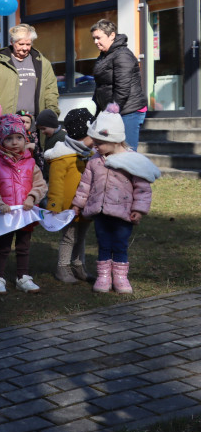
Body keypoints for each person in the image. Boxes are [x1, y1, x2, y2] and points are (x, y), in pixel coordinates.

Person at [72, 104, 161, 293]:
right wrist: (78, 204)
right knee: (103, 242)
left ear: (115, 141)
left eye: (99, 143)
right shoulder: (95, 161)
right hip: (100, 211)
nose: (95, 146)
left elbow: (142, 188)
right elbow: (85, 185)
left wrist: (138, 209)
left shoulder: (131, 161)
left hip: (123, 213)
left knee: (120, 244)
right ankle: (104, 277)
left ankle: (120, 278)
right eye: (94, 142)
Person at [0, 114, 48, 295]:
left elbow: (40, 184)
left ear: (25, 139)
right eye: (9, 138)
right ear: (2, 140)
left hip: (24, 213)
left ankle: (22, 277)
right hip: (5, 214)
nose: (15, 142)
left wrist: (32, 198)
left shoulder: (31, 163)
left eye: (19, 137)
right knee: (3, 247)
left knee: (23, 246)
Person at [44, 107, 94, 284]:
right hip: (68, 207)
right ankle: (63, 267)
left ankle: (79, 265)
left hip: (86, 205)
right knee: (69, 236)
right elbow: (55, 184)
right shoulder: (62, 157)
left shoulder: (88, 154)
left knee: (81, 237)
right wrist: (54, 206)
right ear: (82, 135)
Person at [0, 24, 60, 121]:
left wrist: (52, 116)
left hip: (35, 123)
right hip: (6, 123)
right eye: (21, 44)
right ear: (11, 42)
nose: (25, 48)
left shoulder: (42, 63)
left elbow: (50, 91)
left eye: (28, 44)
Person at [90, 19, 147, 151]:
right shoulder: (104, 56)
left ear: (112, 35)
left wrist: (110, 113)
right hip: (113, 111)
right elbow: (101, 86)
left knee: (127, 152)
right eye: (94, 38)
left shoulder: (122, 55)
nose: (95, 42)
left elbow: (122, 88)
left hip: (129, 110)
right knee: (112, 152)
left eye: (98, 38)